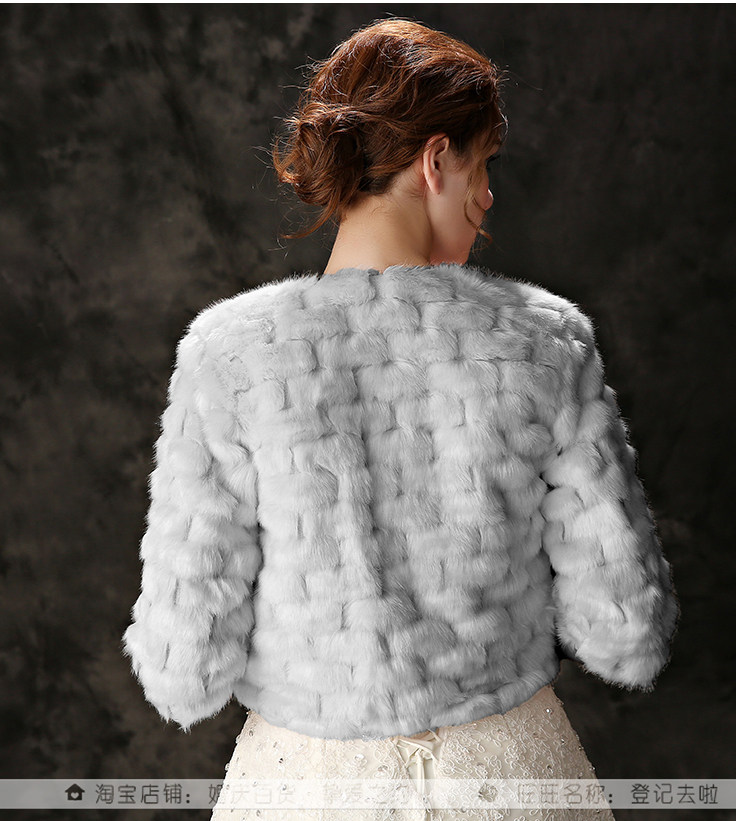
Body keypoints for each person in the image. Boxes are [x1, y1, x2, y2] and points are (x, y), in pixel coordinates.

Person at [121, 17, 680, 821]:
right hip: (507, 777)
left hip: (309, 787)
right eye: (483, 167)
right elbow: (623, 624)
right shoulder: (545, 341)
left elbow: (184, 664)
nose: (488, 199)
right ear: (435, 160)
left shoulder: (232, 355)